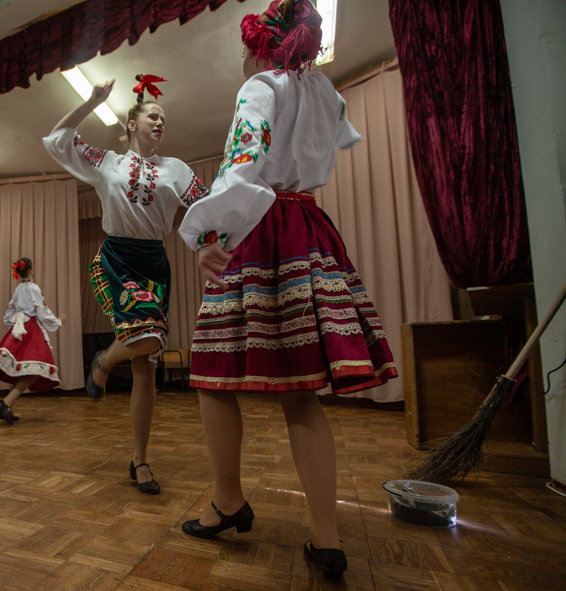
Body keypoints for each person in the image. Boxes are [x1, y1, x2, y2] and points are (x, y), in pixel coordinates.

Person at [177, 0, 398, 583]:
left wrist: (208, 233)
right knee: (301, 389)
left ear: (257, 48)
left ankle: (228, 501)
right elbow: (337, 135)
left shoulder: (259, 87)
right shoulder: (326, 91)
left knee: (210, 371)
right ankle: (326, 540)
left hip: (259, 227)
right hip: (308, 227)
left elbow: (243, 161)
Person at [43, 75, 209, 495]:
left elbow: (209, 204)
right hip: (117, 259)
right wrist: (90, 100)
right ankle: (103, 362)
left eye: (164, 119)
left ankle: (140, 459)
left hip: (155, 263)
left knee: (146, 366)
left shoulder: (177, 169)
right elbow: (59, 140)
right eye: (153, 116)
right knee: (150, 337)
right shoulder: (107, 162)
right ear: (132, 124)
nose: (160, 123)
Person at [0, 258, 63, 424]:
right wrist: (58, 321)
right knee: (36, 368)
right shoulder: (33, 288)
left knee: (26, 368)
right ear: (31, 270)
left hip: (20, 328)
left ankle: (8, 405)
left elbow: (10, 308)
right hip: (30, 329)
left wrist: (13, 322)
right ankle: (6, 402)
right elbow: (41, 309)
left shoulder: (19, 289)